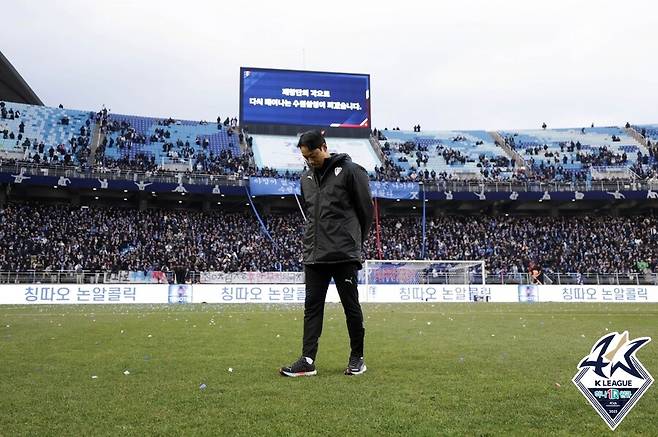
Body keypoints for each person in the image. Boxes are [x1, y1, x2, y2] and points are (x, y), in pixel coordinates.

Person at [280, 130, 373, 377]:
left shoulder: (352, 171)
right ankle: (307, 360)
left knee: (350, 307)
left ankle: (357, 358)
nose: (309, 161)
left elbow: (366, 212)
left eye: (312, 156)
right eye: (305, 158)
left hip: (344, 253)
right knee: (312, 308)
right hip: (314, 255)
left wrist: (355, 243)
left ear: (323, 147)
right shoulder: (306, 178)